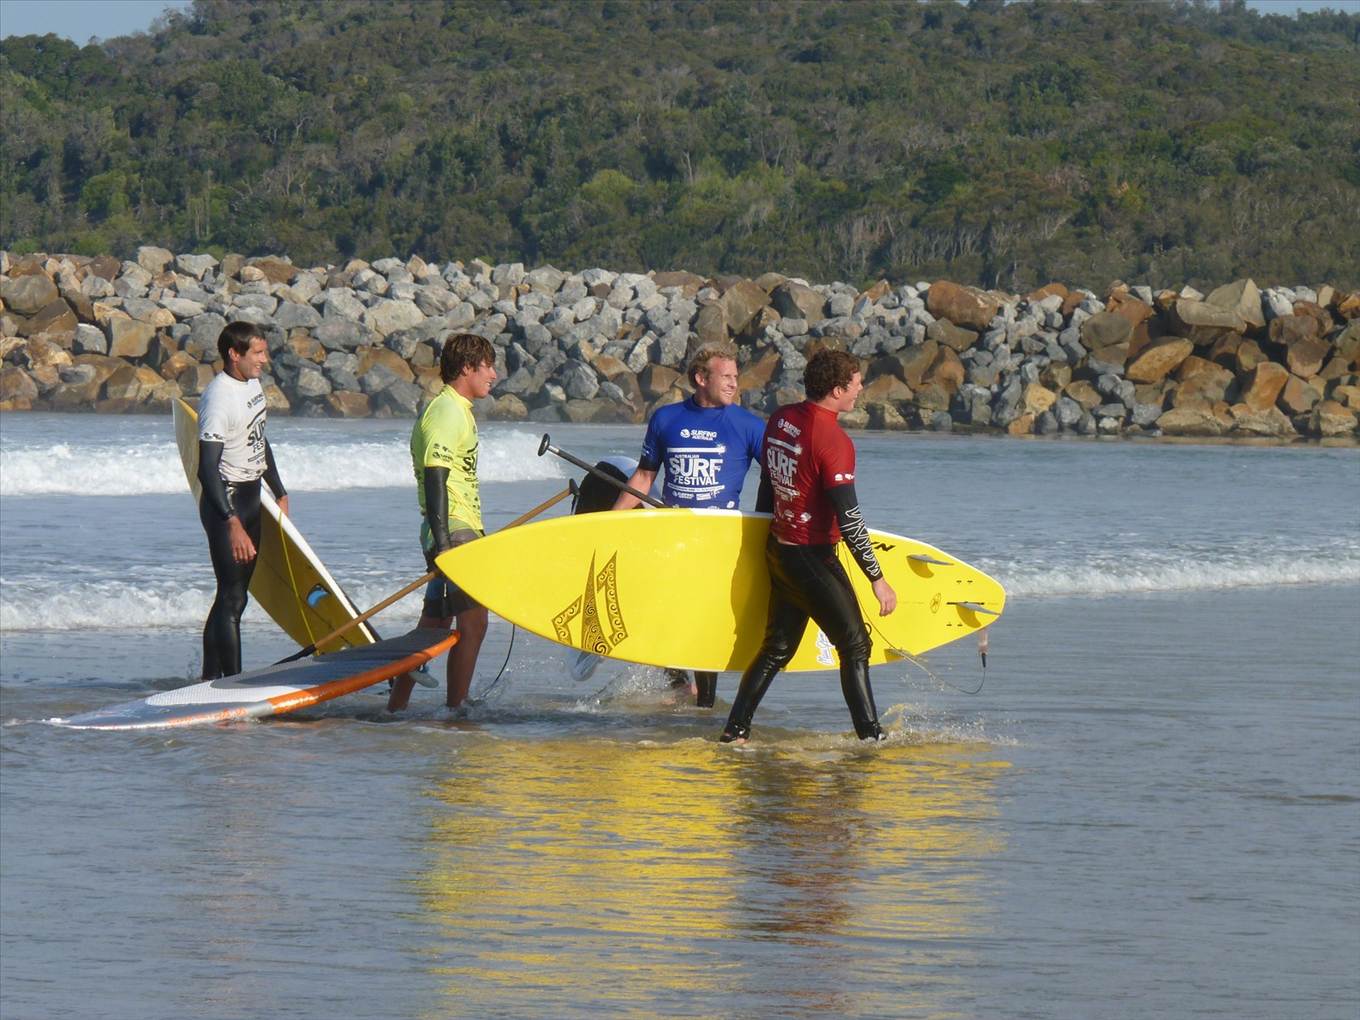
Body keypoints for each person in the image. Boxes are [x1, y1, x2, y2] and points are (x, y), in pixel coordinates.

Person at [720, 348, 897, 743]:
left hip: (779, 550)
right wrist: (877, 578)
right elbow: (850, 518)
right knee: (856, 646)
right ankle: (871, 738)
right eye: (855, 383)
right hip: (810, 556)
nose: (860, 389)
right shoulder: (832, 439)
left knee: (777, 648)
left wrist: (764, 533)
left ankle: (735, 732)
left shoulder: (783, 419)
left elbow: (768, 483)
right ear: (836, 390)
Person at [611, 343, 765, 707]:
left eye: (735, 377)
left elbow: (777, 477)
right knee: (658, 609)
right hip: (672, 535)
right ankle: (681, 685)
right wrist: (610, 522)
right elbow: (645, 476)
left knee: (703, 621)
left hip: (718, 540)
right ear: (701, 378)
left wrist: (767, 523)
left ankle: (705, 705)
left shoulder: (748, 426)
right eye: (725, 376)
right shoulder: (666, 419)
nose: (733, 384)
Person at [388, 333, 498, 712]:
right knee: (474, 623)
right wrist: (445, 543)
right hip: (454, 531)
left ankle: (396, 708)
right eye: (488, 367)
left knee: (434, 625)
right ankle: (457, 709)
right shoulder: (447, 411)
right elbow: (436, 475)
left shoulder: (456, 410)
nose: (494, 375)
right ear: (467, 368)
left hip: (452, 529)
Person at [197, 321, 289, 679]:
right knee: (232, 600)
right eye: (258, 353)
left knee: (232, 596)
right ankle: (233, 685)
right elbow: (207, 469)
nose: (264, 360)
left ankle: (209, 677)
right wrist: (231, 522)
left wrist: (279, 490)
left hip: (253, 496)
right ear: (235, 354)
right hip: (227, 502)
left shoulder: (252, 384)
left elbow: (258, 439)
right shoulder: (218, 399)